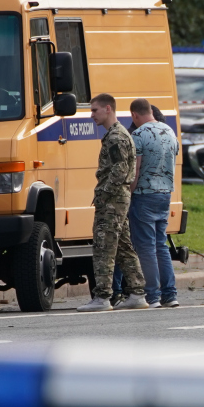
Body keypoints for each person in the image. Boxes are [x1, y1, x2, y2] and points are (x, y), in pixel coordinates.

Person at [77, 93, 148, 312]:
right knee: (123, 247)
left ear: (108, 109)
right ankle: (137, 293)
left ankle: (102, 297)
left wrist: (104, 193)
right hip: (118, 199)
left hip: (112, 200)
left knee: (104, 246)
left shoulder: (116, 137)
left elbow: (120, 170)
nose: (92, 115)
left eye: (95, 110)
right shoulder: (117, 134)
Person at [123, 98, 181, 308]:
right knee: (160, 245)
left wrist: (128, 192)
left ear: (134, 115)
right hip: (165, 194)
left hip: (144, 194)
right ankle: (170, 294)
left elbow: (135, 170)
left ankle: (152, 296)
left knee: (145, 247)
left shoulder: (138, 135)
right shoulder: (169, 131)